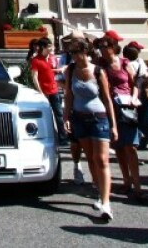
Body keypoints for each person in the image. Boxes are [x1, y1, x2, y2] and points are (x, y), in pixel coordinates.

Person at [63, 37, 115, 221]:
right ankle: (100, 194)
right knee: (91, 159)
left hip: (99, 118)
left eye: (76, 53)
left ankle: (106, 203)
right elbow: (68, 95)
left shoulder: (98, 71)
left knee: (102, 159)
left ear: (85, 52)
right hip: (79, 118)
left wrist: (113, 124)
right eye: (72, 53)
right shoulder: (70, 70)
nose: (74, 56)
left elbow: (107, 98)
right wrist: (66, 117)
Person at [96, 36, 148, 203]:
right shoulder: (99, 65)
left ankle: (138, 186)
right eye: (100, 47)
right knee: (118, 146)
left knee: (131, 146)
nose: (103, 49)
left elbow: (134, 83)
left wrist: (134, 97)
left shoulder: (124, 63)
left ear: (113, 47)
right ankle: (126, 181)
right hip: (110, 108)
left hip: (127, 107)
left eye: (106, 46)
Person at [29, 38, 65, 144]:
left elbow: (50, 71)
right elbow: (34, 77)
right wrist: (40, 91)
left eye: (51, 46)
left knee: (59, 114)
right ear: (43, 47)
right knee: (46, 114)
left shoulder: (51, 59)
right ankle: (47, 136)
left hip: (54, 90)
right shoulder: (36, 60)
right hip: (44, 91)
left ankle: (63, 137)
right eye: (49, 46)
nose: (51, 48)